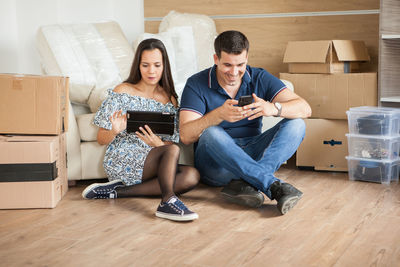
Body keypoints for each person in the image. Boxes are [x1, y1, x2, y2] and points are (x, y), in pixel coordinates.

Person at [179, 30, 312, 215]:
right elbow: (185, 135)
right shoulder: (196, 84)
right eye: (227, 65)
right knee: (211, 133)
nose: (234, 72)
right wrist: (217, 115)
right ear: (216, 58)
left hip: (252, 153)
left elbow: (305, 108)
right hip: (217, 165)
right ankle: (271, 184)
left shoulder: (259, 77)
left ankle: (248, 182)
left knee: (297, 124)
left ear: (247, 58)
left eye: (240, 64)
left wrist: (274, 108)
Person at [82, 38, 200, 222]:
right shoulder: (123, 91)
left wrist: (157, 144)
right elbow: (101, 139)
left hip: (153, 161)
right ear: (138, 66)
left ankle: (117, 191)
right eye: (145, 65)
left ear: (164, 66)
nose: (151, 71)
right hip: (123, 159)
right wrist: (114, 130)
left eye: (156, 65)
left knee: (191, 176)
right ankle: (167, 201)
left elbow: (168, 145)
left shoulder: (169, 99)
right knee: (173, 151)